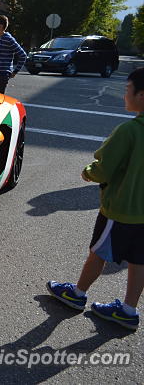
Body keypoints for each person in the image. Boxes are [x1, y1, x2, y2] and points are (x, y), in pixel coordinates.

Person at [46, 67, 144, 331]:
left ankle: (77, 294)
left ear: (142, 96)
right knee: (139, 260)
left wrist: (88, 173)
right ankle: (128, 310)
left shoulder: (129, 131)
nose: (125, 94)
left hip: (120, 210)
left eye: (127, 89)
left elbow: (104, 167)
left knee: (98, 252)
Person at [0, 15, 26, 94]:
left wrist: (15, 71)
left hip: (3, 74)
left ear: (1, 26)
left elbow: (23, 55)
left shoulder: (9, 39)